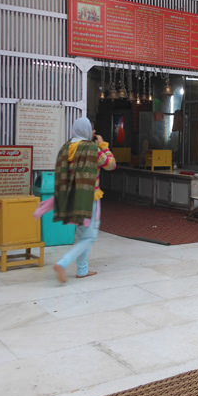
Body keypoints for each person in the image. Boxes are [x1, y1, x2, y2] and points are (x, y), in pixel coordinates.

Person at [51, 117, 116, 282]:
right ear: (87, 130)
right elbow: (110, 164)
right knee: (90, 236)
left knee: (81, 235)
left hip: (72, 197)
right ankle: (63, 263)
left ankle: (82, 270)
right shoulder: (92, 149)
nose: (93, 132)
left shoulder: (65, 148)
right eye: (92, 129)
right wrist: (103, 145)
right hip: (89, 198)